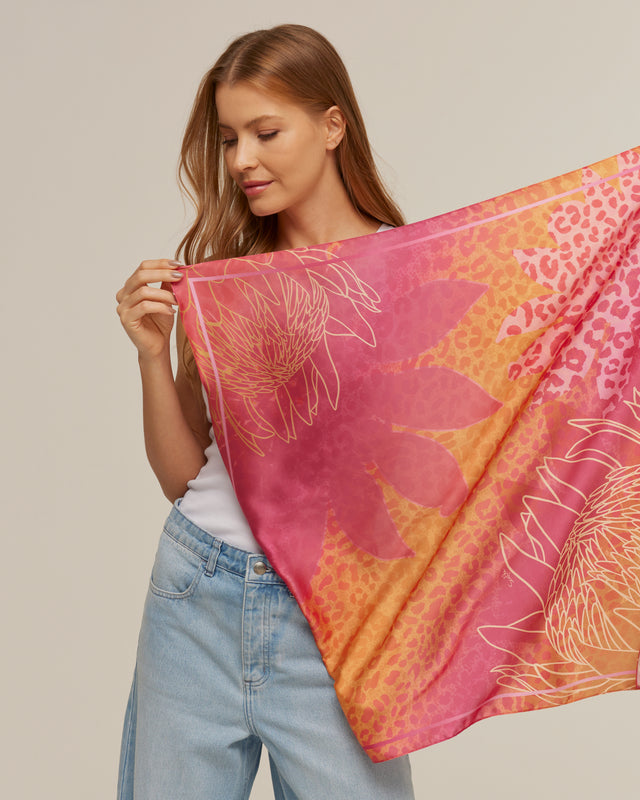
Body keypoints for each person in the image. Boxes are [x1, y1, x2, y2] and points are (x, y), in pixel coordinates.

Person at [116, 23, 414, 800]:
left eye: (265, 132)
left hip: (337, 618)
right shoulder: (226, 277)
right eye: (228, 139)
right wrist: (151, 354)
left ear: (332, 125)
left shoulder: (411, 273)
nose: (241, 159)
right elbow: (184, 477)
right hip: (196, 596)